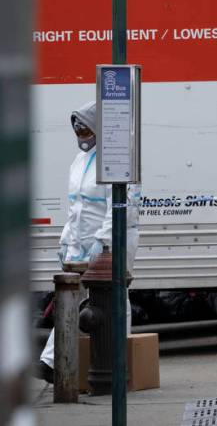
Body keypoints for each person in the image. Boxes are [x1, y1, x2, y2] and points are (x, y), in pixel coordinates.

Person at [36, 101, 139, 383]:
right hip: (82, 244)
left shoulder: (117, 159)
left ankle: (113, 362)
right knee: (73, 300)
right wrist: (67, 242)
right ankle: (54, 362)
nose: (82, 137)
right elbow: (77, 208)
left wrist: (103, 243)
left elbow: (121, 208)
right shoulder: (79, 162)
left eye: (86, 131)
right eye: (78, 132)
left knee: (115, 299)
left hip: (111, 243)